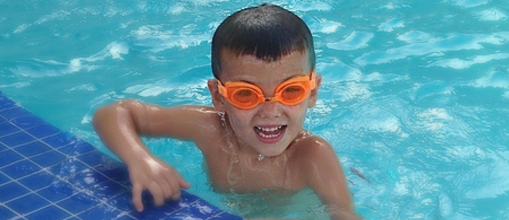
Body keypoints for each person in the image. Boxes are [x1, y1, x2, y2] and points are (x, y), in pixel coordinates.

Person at [93, 4, 361, 220]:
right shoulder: (209, 129)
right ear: (218, 96)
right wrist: (139, 159)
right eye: (245, 94)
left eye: (290, 91)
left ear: (312, 93)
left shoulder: (312, 155)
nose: (270, 111)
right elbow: (113, 113)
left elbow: (344, 214)